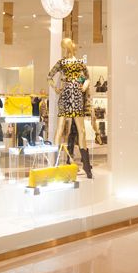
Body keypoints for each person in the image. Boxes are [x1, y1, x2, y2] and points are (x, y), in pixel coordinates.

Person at [48, 38, 93, 178]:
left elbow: (87, 77)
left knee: (81, 130)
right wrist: (55, 88)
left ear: (71, 48)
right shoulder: (61, 62)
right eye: (64, 48)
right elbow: (49, 76)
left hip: (77, 97)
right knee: (60, 128)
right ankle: (55, 163)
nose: (66, 50)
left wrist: (84, 86)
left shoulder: (80, 63)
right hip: (66, 96)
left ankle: (86, 165)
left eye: (66, 47)